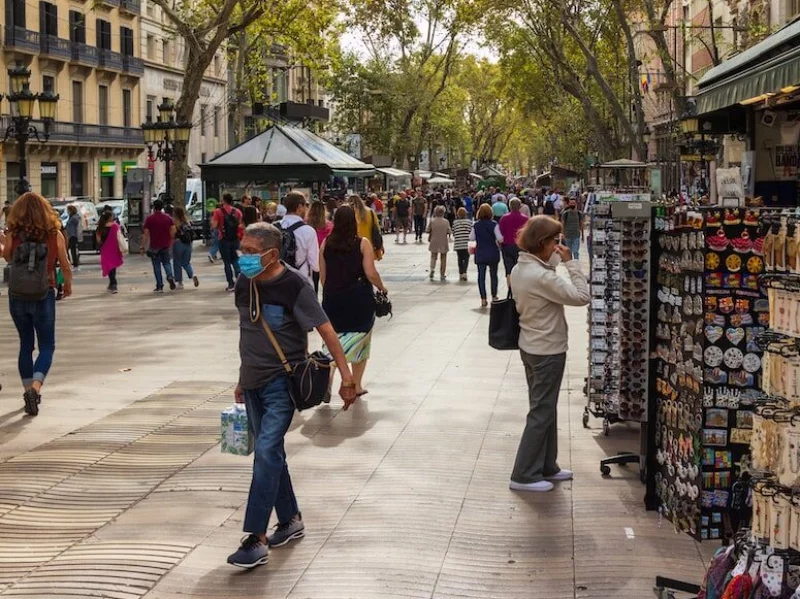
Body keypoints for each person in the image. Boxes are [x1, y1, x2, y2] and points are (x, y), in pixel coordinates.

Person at [227, 222, 357, 569]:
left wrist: (346, 376)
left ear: (272, 253)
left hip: (282, 384)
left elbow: (327, 331)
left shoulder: (294, 285)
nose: (245, 257)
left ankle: (256, 538)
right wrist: (241, 378)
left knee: (267, 451)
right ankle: (291, 519)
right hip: (253, 382)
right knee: (272, 455)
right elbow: (247, 333)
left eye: (252, 252)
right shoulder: (244, 282)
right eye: (243, 250)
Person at [509, 216, 589, 492]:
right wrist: (571, 263)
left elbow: (546, 271)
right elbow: (581, 296)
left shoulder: (523, 268)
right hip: (547, 350)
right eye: (555, 241)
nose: (558, 245)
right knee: (541, 412)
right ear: (543, 242)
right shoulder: (540, 276)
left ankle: (546, 465)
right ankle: (524, 474)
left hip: (531, 345)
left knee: (545, 407)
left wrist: (556, 259)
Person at [2, 192, 73, 416]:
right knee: (47, 346)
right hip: (44, 292)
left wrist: (5, 243)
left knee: (25, 344)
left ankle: (27, 390)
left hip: (18, 295)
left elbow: (7, 258)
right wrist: (67, 285)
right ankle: (36, 387)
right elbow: (65, 264)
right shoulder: (54, 235)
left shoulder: (15, 233)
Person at [319, 205, 388, 397]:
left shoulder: (325, 244)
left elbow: (323, 277)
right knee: (362, 341)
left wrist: (333, 292)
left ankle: (330, 372)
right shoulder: (362, 243)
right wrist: (382, 287)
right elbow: (371, 273)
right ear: (354, 221)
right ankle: (356, 386)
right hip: (359, 300)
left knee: (332, 340)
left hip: (332, 300)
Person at [277, 191, 318, 285]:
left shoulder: (273, 228)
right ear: (299, 207)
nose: (306, 209)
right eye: (305, 205)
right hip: (300, 283)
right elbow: (315, 265)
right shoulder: (308, 231)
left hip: (277, 281)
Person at [470, 203, 502, 308]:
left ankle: (483, 299)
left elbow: (471, 238)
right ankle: (494, 296)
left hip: (481, 253)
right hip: (493, 252)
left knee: (481, 277)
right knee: (493, 275)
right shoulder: (494, 224)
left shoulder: (476, 225)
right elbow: (500, 238)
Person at [141, 199, 176, 293]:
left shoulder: (149, 219)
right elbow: (173, 231)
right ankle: (169, 276)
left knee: (156, 266)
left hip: (154, 246)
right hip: (165, 244)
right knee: (166, 263)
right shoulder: (168, 218)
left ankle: (159, 286)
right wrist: (171, 240)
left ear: (153, 207)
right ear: (162, 207)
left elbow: (146, 234)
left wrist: (142, 246)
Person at [212, 194, 243, 292]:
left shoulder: (218, 212)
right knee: (236, 260)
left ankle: (230, 284)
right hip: (235, 240)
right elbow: (241, 225)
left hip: (224, 239)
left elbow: (214, 225)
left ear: (223, 200)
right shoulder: (237, 212)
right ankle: (239, 281)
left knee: (227, 263)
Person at [499, 198, 529, 281]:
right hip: (521, 245)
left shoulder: (504, 218)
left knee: (509, 269)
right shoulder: (525, 219)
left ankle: (510, 289)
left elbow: (500, 233)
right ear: (520, 206)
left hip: (507, 245)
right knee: (521, 268)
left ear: (510, 206)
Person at [307, 201, 332, 294]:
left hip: (309, 258)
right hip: (325, 257)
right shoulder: (329, 226)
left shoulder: (305, 224)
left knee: (313, 284)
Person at [96, 209, 123, 294]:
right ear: (110, 217)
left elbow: (98, 240)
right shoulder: (115, 226)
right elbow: (119, 237)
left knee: (109, 266)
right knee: (113, 266)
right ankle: (113, 284)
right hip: (114, 248)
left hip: (105, 249)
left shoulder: (100, 227)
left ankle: (112, 284)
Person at [172, 206, 199, 290]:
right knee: (186, 262)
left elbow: (173, 233)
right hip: (188, 244)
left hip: (178, 243)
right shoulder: (187, 222)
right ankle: (192, 275)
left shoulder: (176, 223)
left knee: (177, 263)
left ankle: (179, 282)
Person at [351, 195, 383, 261]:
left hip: (353, 246)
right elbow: (377, 229)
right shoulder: (370, 212)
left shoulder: (349, 212)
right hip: (369, 245)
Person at [426, 205, 451, 281]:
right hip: (443, 241)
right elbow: (449, 231)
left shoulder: (432, 221)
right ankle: (442, 274)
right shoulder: (446, 221)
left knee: (433, 256)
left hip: (434, 241)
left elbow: (427, 230)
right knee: (443, 258)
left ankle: (432, 269)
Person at [452, 207, 472, 282]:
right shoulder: (469, 222)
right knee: (466, 259)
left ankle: (460, 273)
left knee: (460, 259)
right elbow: (471, 232)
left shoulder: (455, 222)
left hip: (458, 244)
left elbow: (453, 232)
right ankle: (464, 272)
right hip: (467, 243)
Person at [64, 205, 82, 270]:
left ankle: (75, 264)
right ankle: (72, 263)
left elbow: (77, 226)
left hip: (72, 236)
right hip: (70, 235)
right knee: (69, 250)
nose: (67, 211)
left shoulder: (74, 217)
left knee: (72, 250)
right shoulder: (71, 217)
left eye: (68, 210)